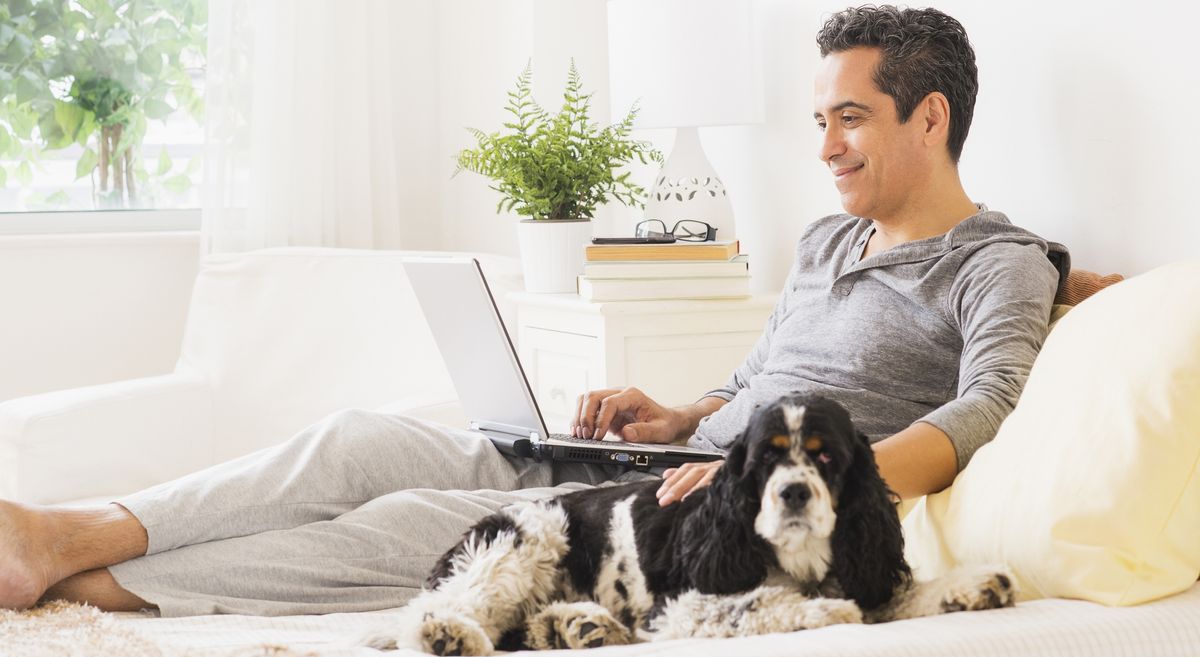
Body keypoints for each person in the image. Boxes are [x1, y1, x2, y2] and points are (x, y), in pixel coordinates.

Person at [0, 6, 1063, 617]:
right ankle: (63, 534)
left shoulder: (998, 266)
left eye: (850, 119)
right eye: (819, 119)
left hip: (713, 515)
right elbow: (750, 384)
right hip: (666, 463)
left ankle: (95, 588)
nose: (824, 146)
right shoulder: (830, 237)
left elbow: (979, 416)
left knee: (416, 532)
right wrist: (679, 413)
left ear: (931, 118)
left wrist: (746, 473)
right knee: (355, 439)